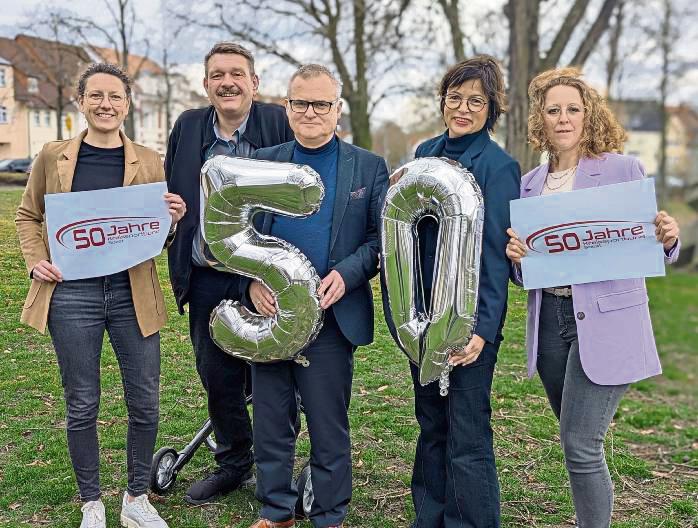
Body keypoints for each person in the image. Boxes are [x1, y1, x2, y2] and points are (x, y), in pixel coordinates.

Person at [505, 67, 680, 528]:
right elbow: (525, 276)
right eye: (553, 110)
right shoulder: (529, 183)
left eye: (573, 110)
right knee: (577, 440)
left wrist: (667, 238)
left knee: (581, 443)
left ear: (589, 116)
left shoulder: (622, 170)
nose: (563, 118)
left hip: (606, 320)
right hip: (550, 325)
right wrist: (518, 258)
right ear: (540, 119)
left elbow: (649, 241)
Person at [15, 63, 186, 528]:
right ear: (81, 102)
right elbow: (28, 216)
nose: (106, 104)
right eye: (97, 96)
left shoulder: (149, 160)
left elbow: (154, 237)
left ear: (127, 105)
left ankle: (135, 498)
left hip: (134, 293)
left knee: (146, 399)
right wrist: (35, 260)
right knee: (83, 401)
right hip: (72, 295)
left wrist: (171, 222)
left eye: (115, 97)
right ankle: (92, 502)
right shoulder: (53, 156)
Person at [242, 64, 388, 528]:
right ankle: (277, 511)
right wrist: (250, 281)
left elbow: (378, 240)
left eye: (321, 103)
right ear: (286, 106)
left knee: (328, 425)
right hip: (271, 312)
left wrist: (347, 275)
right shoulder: (261, 161)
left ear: (337, 109)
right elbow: (238, 233)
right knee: (270, 420)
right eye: (300, 102)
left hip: (332, 314)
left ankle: (329, 514)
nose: (310, 112)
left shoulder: (368, 167)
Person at [385, 55, 521, 528]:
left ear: (491, 110)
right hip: (422, 316)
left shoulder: (500, 167)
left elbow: (495, 259)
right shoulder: (424, 152)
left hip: (468, 327)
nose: (463, 109)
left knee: (467, 432)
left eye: (476, 102)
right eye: (455, 98)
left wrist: (482, 330)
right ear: (443, 101)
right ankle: (430, 517)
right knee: (432, 426)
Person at [165, 42, 294, 505]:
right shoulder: (187, 127)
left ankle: (276, 465)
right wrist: (170, 216)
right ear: (206, 84)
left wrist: (263, 275)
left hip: (264, 276)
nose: (228, 82)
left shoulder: (278, 122)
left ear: (254, 83)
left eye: (237, 73)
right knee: (217, 378)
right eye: (217, 74)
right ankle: (234, 463)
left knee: (271, 375)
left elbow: (295, 200)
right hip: (205, 275)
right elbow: (170, 192)